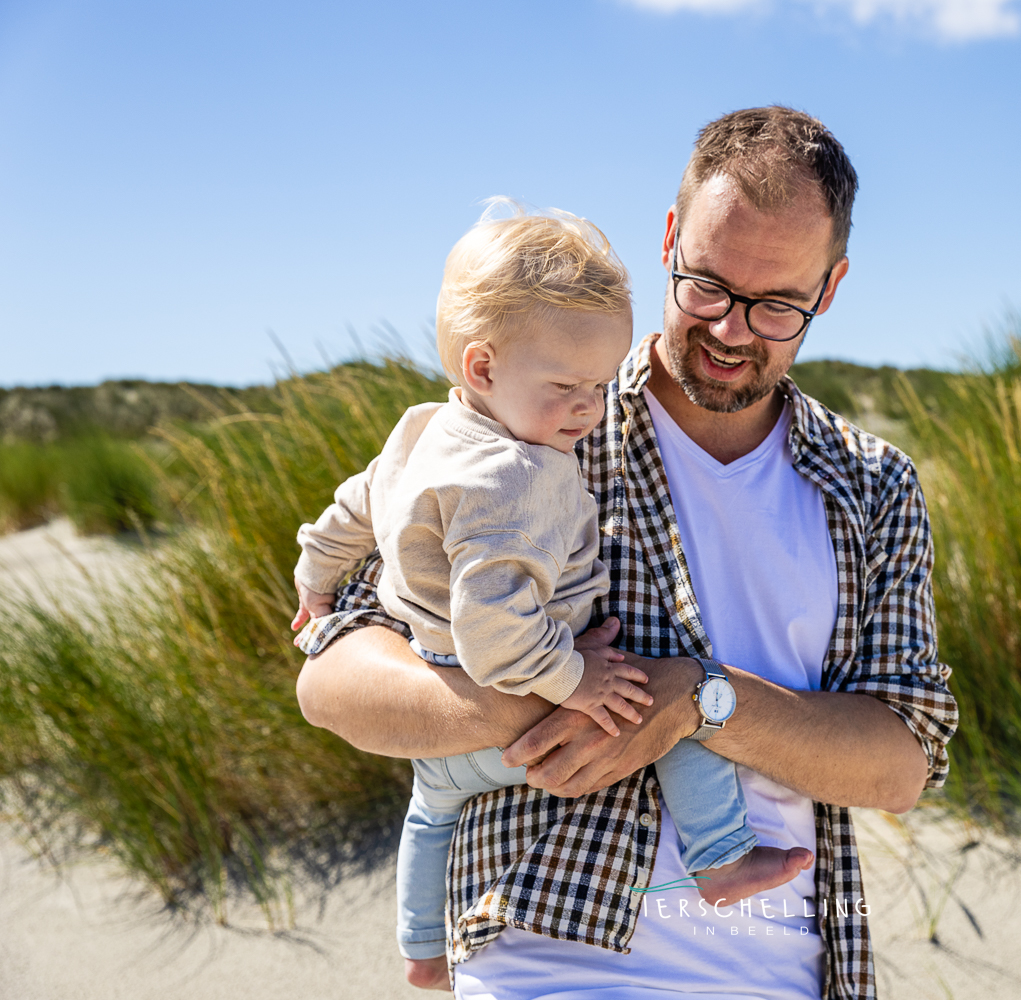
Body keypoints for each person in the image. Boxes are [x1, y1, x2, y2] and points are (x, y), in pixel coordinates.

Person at [296, 105, 959, 1000]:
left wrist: (696, 701)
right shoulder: (536, 424)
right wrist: (530, 698)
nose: (730, 330)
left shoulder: (872, 486)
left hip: (790, 976)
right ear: (670, 241)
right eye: (709, 287)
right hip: (546, 961)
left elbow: (900, 763)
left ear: (830, 289)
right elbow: (330, 683)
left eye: (777, 305)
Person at [288, 206, 812, 987]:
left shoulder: (418, 432)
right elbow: (495, 633)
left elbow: (352, 509)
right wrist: (580, 680)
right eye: (566, 386)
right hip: (522, 695)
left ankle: (422, 950)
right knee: (677, 718)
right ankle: (720, 859)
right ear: (482, 368)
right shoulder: (518, 477)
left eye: (599, 387)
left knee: (431, 811)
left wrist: (315, 579)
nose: (588, 411)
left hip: (442, 732)